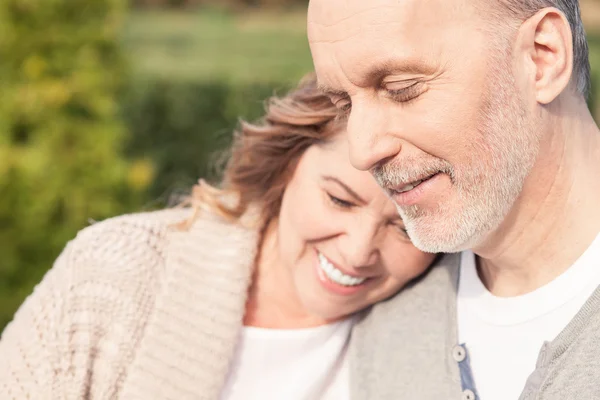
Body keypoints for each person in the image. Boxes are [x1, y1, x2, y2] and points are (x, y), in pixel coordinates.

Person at [0, 74, 435, 399]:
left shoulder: (445, 328)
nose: (357, 251)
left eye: (404, 227)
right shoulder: (112, 271)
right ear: (289, 165)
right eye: (340, 200)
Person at [307, 0, 600, 399]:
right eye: (344, 104)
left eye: (401, 89)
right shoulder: (381, 310)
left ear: (542, 57)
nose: (361, 151)